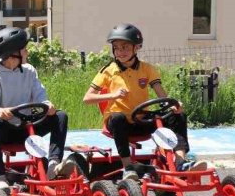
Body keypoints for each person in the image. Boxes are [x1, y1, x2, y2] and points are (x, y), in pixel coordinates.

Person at [82, 23, 206, 179]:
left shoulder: (147, 69)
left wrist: (174, 104)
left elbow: (161, 94)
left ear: (136, 47)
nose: (121, 52)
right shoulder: (108, 71)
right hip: (119, 124)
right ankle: (128, 167)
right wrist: (112, 95)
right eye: (117, 48)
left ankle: (180, 163)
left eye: (125, 47)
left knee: (177, 116)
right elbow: (87, 98)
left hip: (141, 120)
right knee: (117, 117)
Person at [0, 27, 73, 188]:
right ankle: (0, 178)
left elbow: (40, 97)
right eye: (24, 49)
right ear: (12, 54)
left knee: (60, 116)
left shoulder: (29, 71)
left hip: (28, 127)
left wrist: (47, 105)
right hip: (7, 130)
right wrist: (0, 111)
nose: (27, 52)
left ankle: (53, 164)